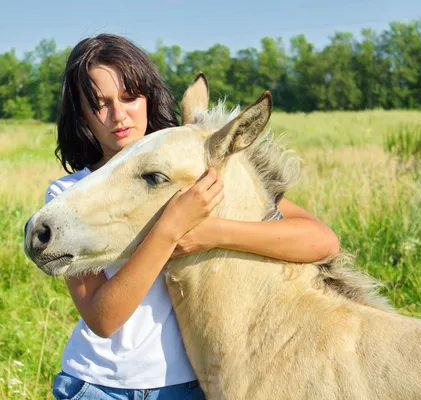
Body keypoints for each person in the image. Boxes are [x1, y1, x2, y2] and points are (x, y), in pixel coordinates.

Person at [45, 33, 340, 400]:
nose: (118, 115)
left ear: (148, 96)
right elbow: (103, 319)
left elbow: (321, 240)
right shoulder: (72, 195)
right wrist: (170, 229)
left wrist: (212, 231)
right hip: (101, 386)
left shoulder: (187, 169)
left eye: (129, 97)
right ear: (83, 113)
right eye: (99, 103)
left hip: (191, 384)